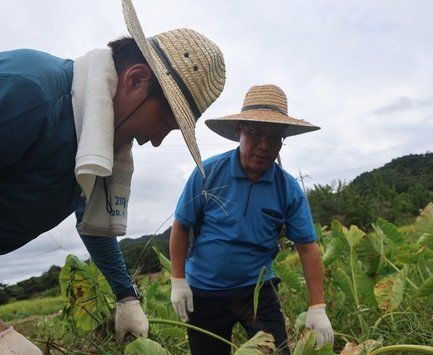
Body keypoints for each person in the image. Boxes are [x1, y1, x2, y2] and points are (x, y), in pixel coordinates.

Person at [0, 0, 225, 352]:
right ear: (136, 80)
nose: (155, 141)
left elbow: (93, 218)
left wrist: (125, 296)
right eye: (166, 123)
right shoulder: (31, 93)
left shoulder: (93, 139)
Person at [169, 84, 334, 354]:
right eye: (255, 134)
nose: (264, 146)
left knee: (277, 351)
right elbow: (181, 226)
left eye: (274, 137)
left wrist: (318, 306)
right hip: (204, 290)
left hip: (256, 291)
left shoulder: (287, 188)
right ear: (239, 132)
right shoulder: (208, 172)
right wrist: (178, 279)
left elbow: (307, 247)